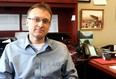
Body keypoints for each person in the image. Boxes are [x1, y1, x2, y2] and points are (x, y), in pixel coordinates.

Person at [0, 2, 78, 79]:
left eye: (45, 21)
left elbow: (71, 75)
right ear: (27, 22)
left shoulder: (61, 49)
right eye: (36, 19)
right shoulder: (11, 49)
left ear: (49, 25)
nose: (40, 25)